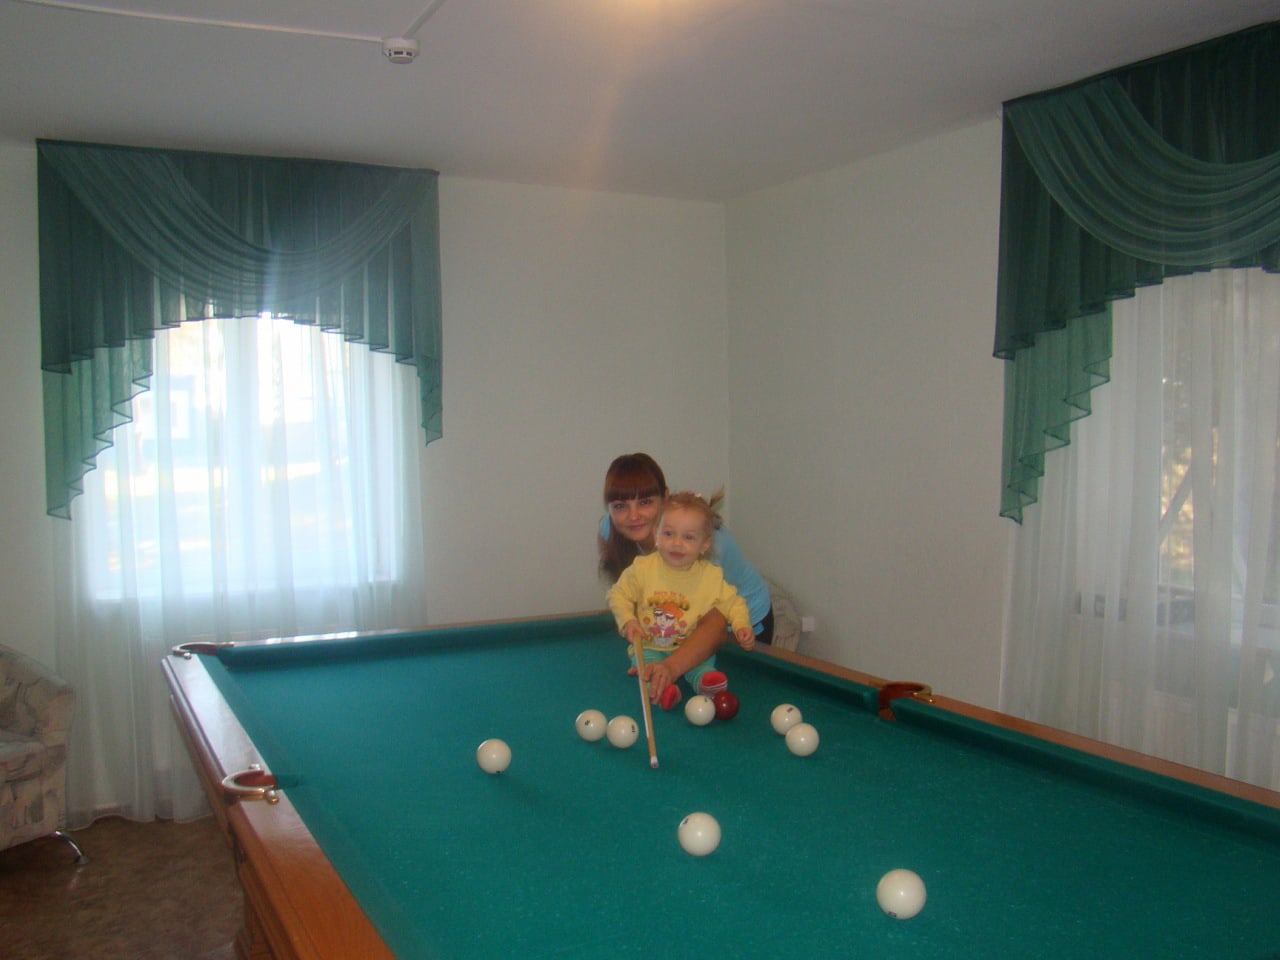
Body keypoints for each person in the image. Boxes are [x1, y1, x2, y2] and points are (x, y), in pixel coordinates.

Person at [597, 453, 774, 703]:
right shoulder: (611, 529)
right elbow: (629, 590)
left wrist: (669, 668)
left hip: (744, 622)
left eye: (645, 502)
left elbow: (714, 624)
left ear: (665, 497)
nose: (633, 516)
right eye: (620, 506)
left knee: (722, 682)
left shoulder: (706, 547)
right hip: (679, 627)